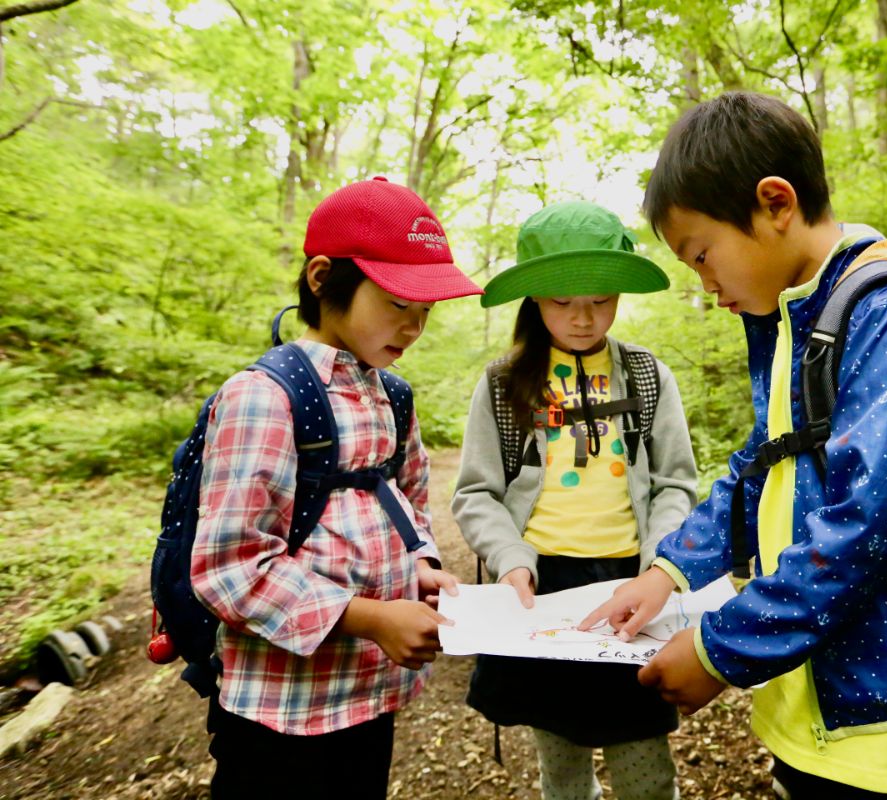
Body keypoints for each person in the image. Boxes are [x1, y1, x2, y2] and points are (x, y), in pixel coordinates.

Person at [581, 91, 887, 799]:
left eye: (703, 256)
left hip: (880, 719)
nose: (707, 287)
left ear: (775, 203)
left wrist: (717, 651)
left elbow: (870, 526)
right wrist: (668, 572)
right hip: (809, 702)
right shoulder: (799, 320)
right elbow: (758, 469)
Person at [190, 176, 481, 798]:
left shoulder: (391, 395)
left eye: (426, 312)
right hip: (281, 713)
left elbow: (407, 501)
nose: (413, 328)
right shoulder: (263, 398)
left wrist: (422, 565)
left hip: (369, 697)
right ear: (323, 278)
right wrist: (370, 617)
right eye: (397, 305)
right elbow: (229, 567)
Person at [452, 201, 699, 800]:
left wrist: (660, 564)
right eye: (564, 301)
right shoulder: (504, 383)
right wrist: (511, 557)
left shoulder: (645, 376)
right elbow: (476, 493)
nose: (585, 319)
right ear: (535, 298)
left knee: (644, 764)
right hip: (541, 594)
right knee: (560, 766)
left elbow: (675, 483)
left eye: (601, 300)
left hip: (630, 589)